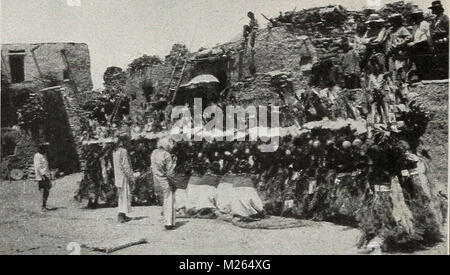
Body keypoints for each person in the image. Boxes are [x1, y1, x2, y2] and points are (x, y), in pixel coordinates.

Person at [151, 136, 177, 229]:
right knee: (169, 200)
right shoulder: (167, 155)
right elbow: (170, 172)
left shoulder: (154, 153)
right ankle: (169, 222)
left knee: (163, 200)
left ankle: (165, 219)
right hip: (165, 180)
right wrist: (173, 182)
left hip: (156, 180)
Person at [113, 134, 135, 223]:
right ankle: (121, 215)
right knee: (125, 195)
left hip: (117, 176)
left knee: (121, 196)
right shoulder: (123, 151)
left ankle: (123, 214)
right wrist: (131, 177)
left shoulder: (115, 151)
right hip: (123, 177)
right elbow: (126, 166)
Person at [408, 8, 433, 80]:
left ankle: (426, 79)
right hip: (416, 47)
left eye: (416, 16)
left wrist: (415, 42)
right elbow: (414, 36)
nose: (414, 18)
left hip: (423, 46)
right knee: (418, 63)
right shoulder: (415, 26)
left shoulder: (425, 24)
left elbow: (428, 37)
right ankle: (420, 78)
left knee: (424, 63)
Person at [386, 14, 412, 83]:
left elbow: (409, 37)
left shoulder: (402, 29)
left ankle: (404, 82)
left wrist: (401, 43)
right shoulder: (390, 29)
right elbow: (388, 39)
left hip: (400, 51)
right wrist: (388, 47)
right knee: (393, 69)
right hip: (392, 51)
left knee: (400, 67)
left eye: (394, 20)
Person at [34, 142, 52, 212]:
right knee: (44, 191)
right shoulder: (37, 155)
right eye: (45, 148)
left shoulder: (44, 155)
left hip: (45, 175)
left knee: (47, 190)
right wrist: (43, 175)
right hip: (42, 177)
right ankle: (42, 207)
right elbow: (38, 167)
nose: (47, 149)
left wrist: (49, 173)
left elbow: (46, 166)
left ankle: (44, 205)